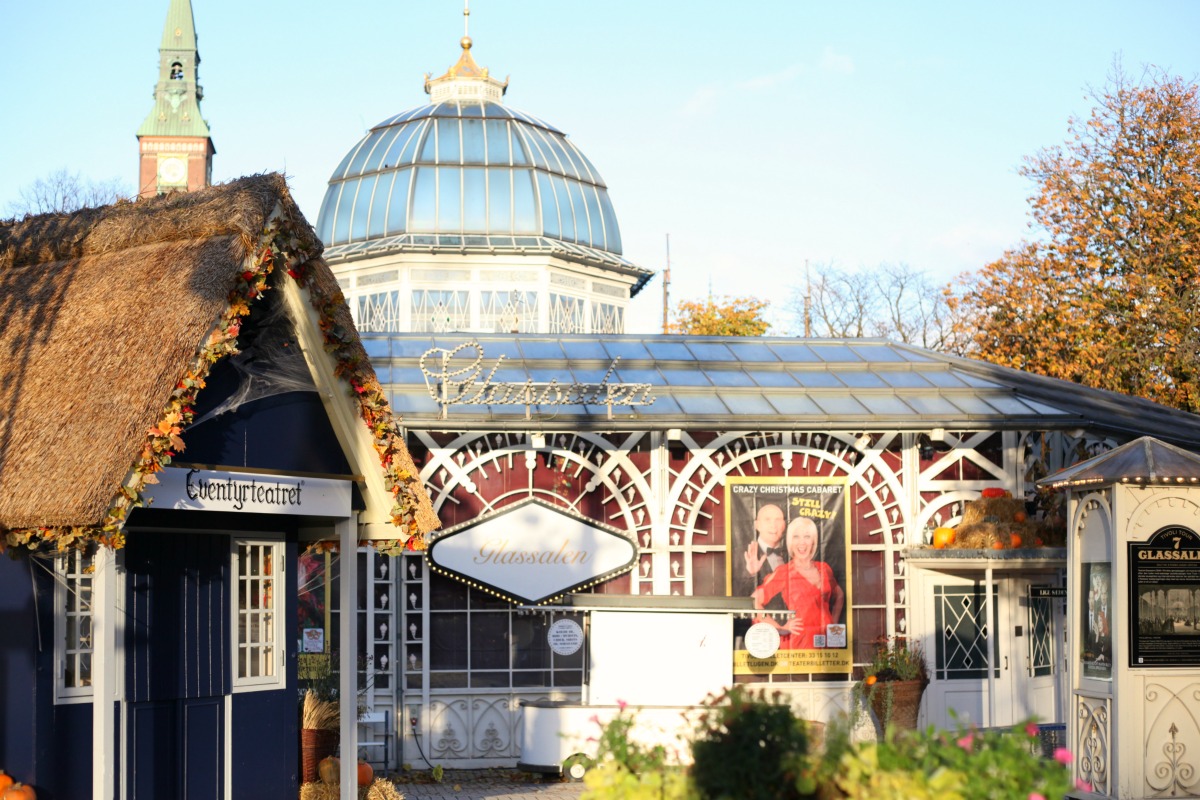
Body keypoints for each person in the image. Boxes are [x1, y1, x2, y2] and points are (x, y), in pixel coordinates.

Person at [753, 516, 845, 649]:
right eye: (796, 537)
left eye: (807, 536)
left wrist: (834, 627)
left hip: (827, 641)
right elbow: (754, 601)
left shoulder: (824, 569)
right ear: (790, 542)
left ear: (813, 541)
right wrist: (780, 628)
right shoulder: (784, 572)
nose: (802, 542)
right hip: (799, 642)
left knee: (831, 669)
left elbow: (840, 596)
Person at [743, 502, 787, 590]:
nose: (773, 525)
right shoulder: (742, 554)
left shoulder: (793, 553)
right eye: (767, 520)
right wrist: (752, 574)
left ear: (784, 525)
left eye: (778, 520)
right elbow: (737, 596)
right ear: (757, 525)